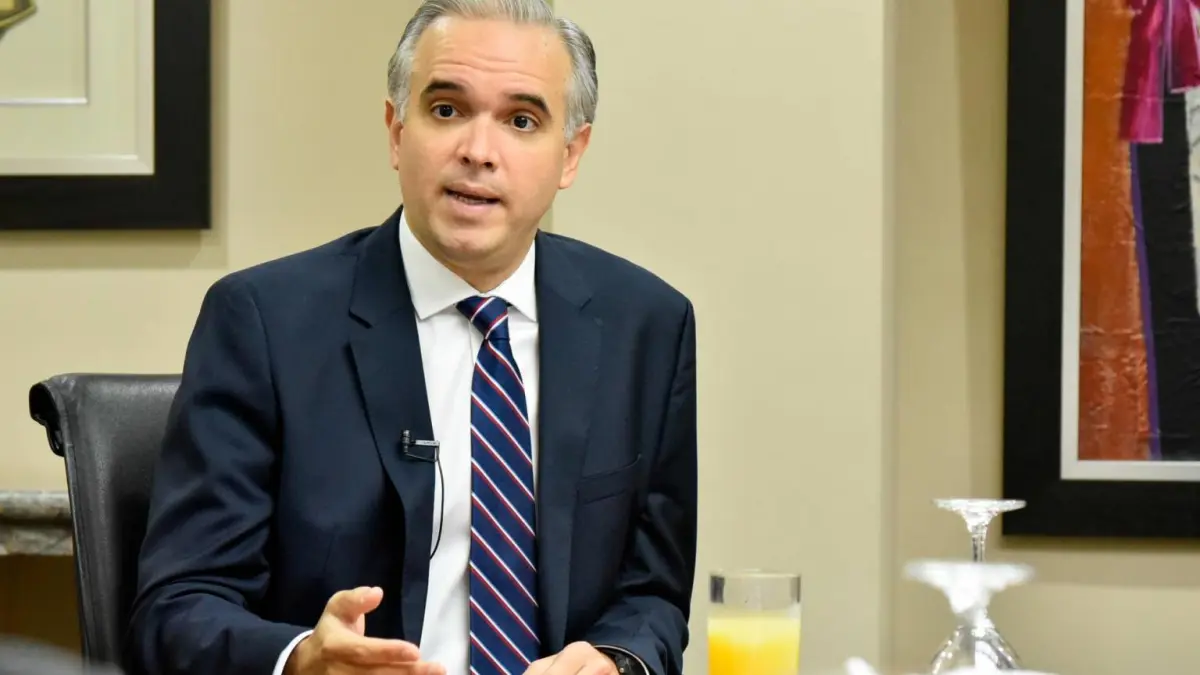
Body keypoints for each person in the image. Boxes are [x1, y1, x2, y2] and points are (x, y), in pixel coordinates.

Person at [125, 1, 698, 674]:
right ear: (397, 132)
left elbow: (653, 595)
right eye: (447, 110)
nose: (477, 152)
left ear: (570, 154)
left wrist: (614, 659)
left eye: (521, 121)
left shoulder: (646, 326)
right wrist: (302, 659)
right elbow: (177, 607)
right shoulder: (263, 323)